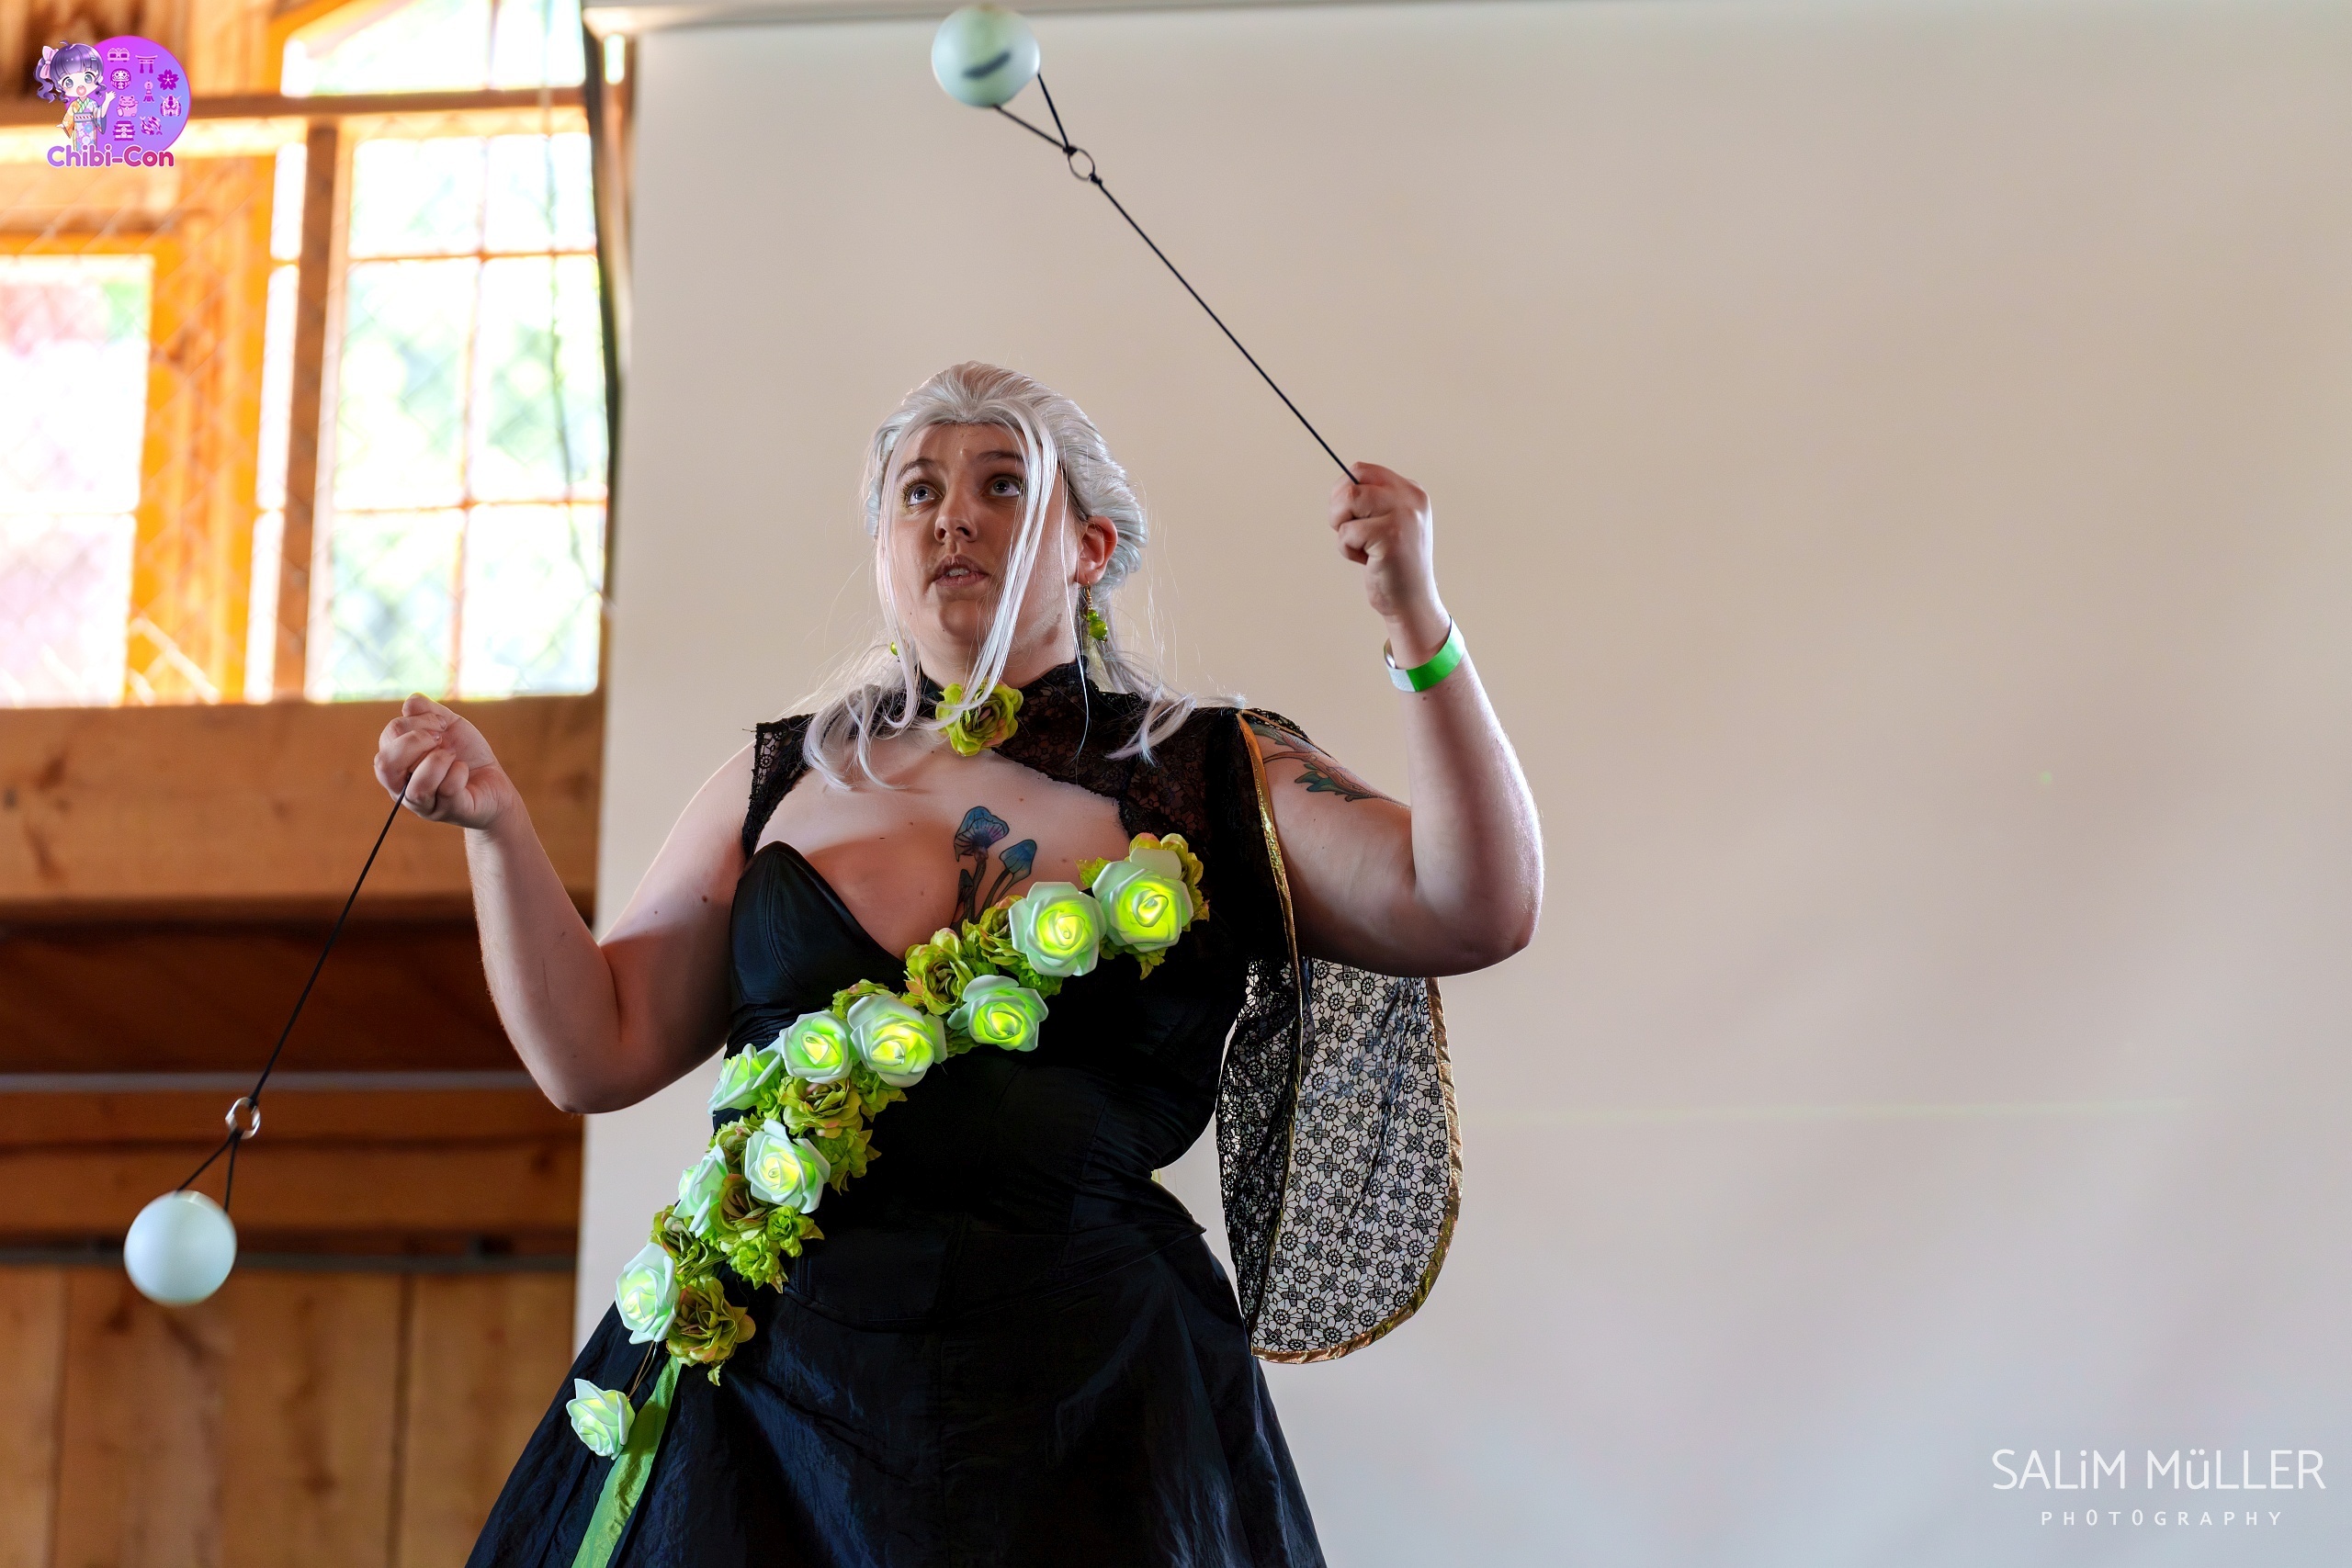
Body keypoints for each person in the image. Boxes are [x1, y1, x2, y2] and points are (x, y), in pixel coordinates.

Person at [376, 363, 1541, 1567]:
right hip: (763, 1412)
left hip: (1090, 1399)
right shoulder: (782, 778)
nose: (954, 517)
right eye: (918, 491)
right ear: (885, 545)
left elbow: (1475, 905)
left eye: (1002, 485)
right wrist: (498, 831)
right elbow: (595, 1049)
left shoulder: (1206, 768)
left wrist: (1417, 622)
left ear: (1088, 547)